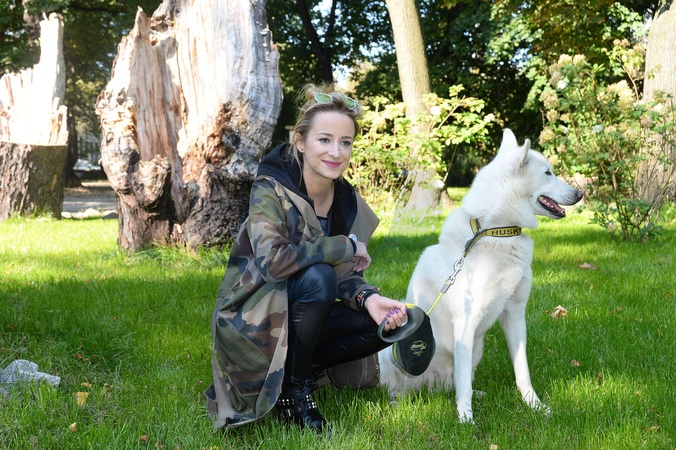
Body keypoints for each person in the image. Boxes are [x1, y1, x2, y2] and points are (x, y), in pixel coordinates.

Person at [205, 84, 408, 433]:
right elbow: (274, 262)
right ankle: (293, 395)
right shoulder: (270, 188)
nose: (336, 152)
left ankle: (301, 370)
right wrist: (344, 245)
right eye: (324, 140)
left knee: (388, 323)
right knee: (318, 278)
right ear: (300, 142)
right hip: (254, 315)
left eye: (345, 142)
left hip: (302, 312)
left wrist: (367, 298)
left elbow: (344, 274)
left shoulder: (346, 201)